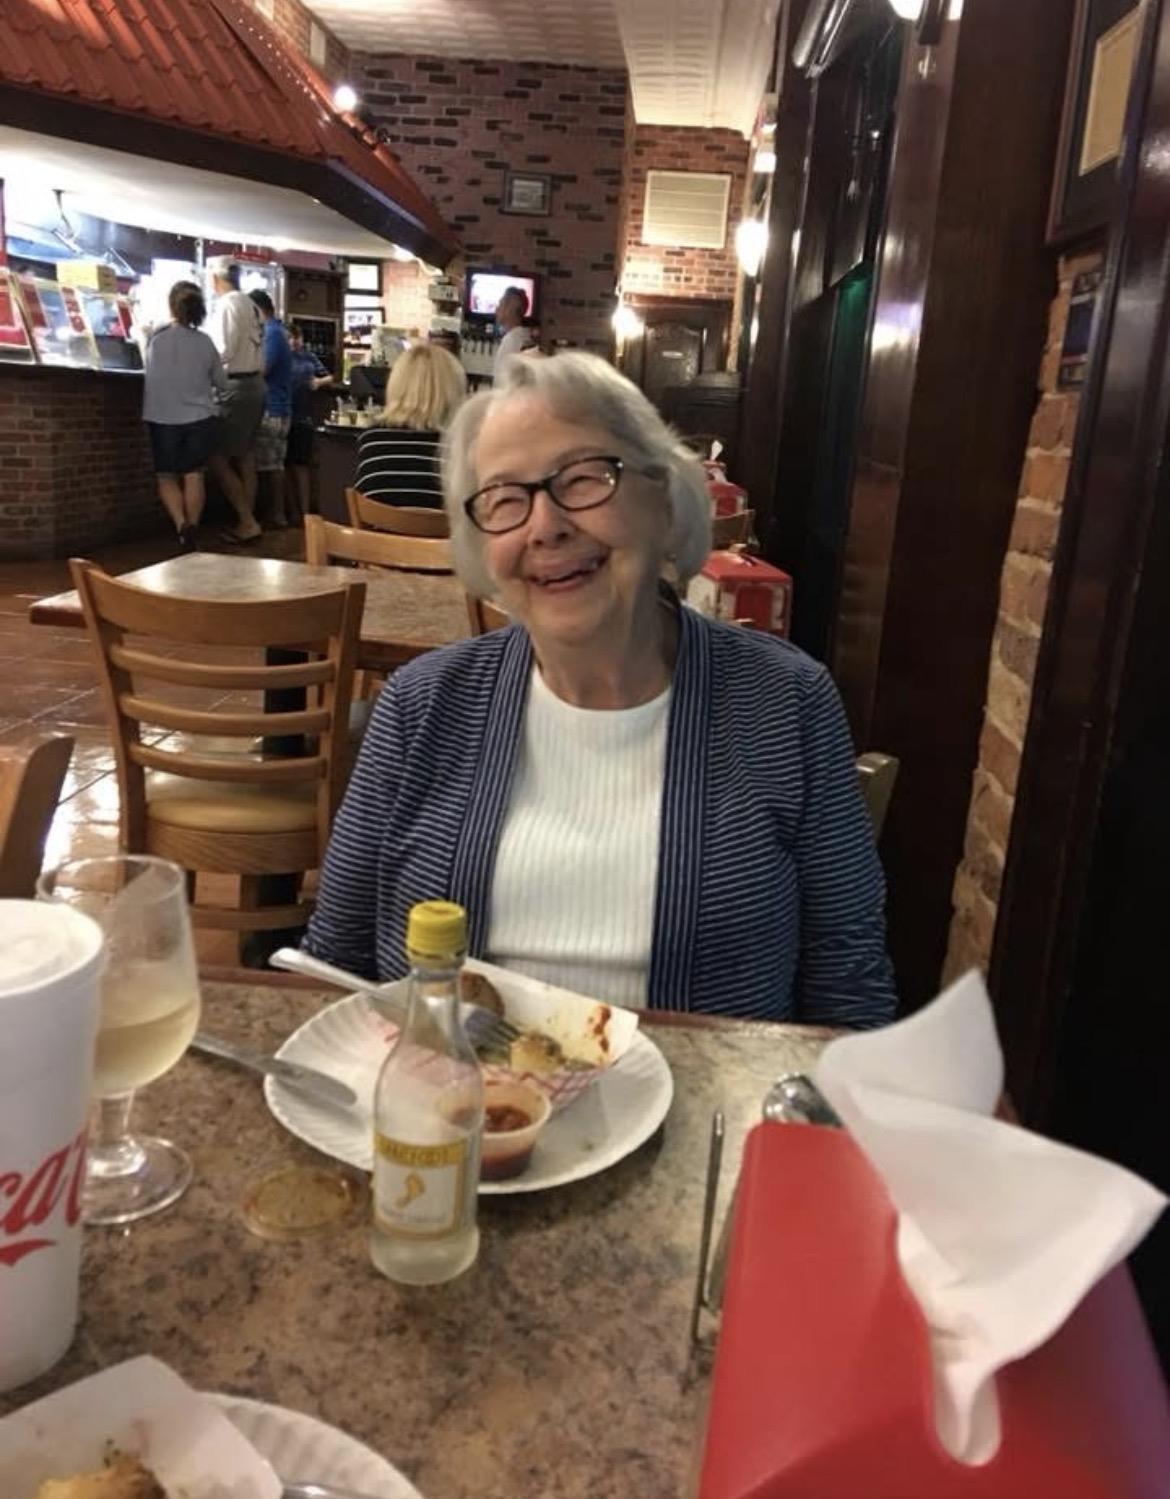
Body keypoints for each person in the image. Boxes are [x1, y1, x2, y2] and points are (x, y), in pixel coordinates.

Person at [306, 353, 897, 1027]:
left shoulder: (786, 702)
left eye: (584, 478)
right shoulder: (421, 705)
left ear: (663, 501)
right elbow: (334, 964)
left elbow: (849, 991)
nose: (545, 526)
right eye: (505, 499)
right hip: (447, 1092)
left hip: (708, 1095)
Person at [141, 280, 227, 549]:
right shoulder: (205, 342)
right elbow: (221, 382)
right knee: (194, 474)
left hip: (161, 415)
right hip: (199, 416)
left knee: (166, 475)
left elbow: (148, 370)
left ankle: (181, 525)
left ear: (171, 306)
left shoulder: (156, 339)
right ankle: (194, 527)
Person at [354, 342, 467, 509]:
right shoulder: (461, 448)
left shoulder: (371, 440)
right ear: (453, 391)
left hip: (375, 526)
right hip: (443, 527)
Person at [205, 256, 264, 544]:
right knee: (246, 457)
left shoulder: (228, 305)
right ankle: (247, 520)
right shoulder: (251, 304)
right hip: (255, 384)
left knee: (217, 457)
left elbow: (222, 350)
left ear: (215, 279)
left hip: (235, 387)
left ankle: (247, 521)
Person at [248, 289, 293, 528]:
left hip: (273, 408)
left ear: (257, 309)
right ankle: (276, 513)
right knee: (273, 465)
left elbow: (263, 368)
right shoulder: (277, 332)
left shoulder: (273, 333)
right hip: (278, 407)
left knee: (270, 466)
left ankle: (276, 514)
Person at [285, 323, 332, 524]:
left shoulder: (309, 357)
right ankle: (292, 511)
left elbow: (330, 377)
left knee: (301, 465)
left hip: (304, 418)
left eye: (298, 337)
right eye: (291, 337)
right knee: (286, 466)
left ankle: (305, 513)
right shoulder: (281, 358)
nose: (295, 341)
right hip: (284, 415)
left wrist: (319, 382)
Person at [493, 286, 532, 381]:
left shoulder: (511, 341)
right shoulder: (524, 336)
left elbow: (501, 383)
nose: (496, 309)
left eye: (500, 304)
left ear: (510, 309)